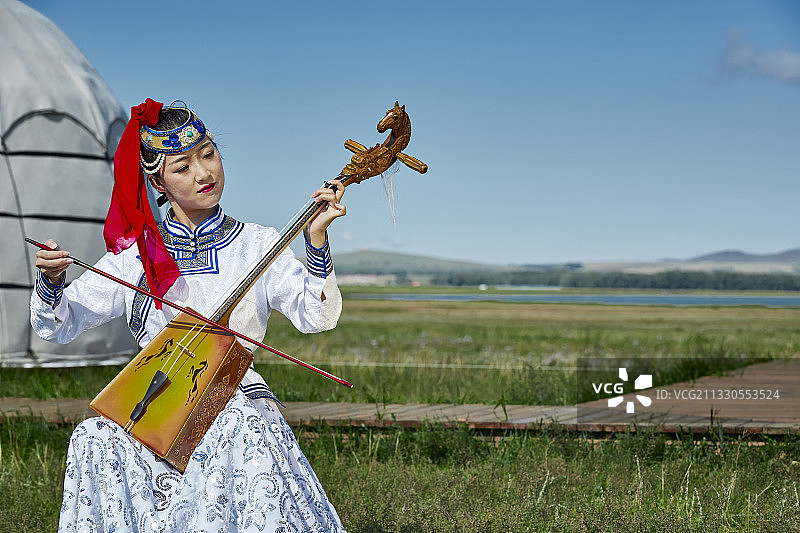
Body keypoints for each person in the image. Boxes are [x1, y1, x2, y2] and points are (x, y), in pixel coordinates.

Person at [30, 99, 348, 532]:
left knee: (234, 422)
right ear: (157, 182)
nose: (204, 173)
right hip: (157, 411)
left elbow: (317, 315)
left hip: (235, 405)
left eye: (209, 154)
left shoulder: (258, 244)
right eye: (182, 167)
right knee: (93, 437)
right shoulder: (134, 258)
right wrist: (51, 280)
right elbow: (58, 324)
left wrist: (315, 239)